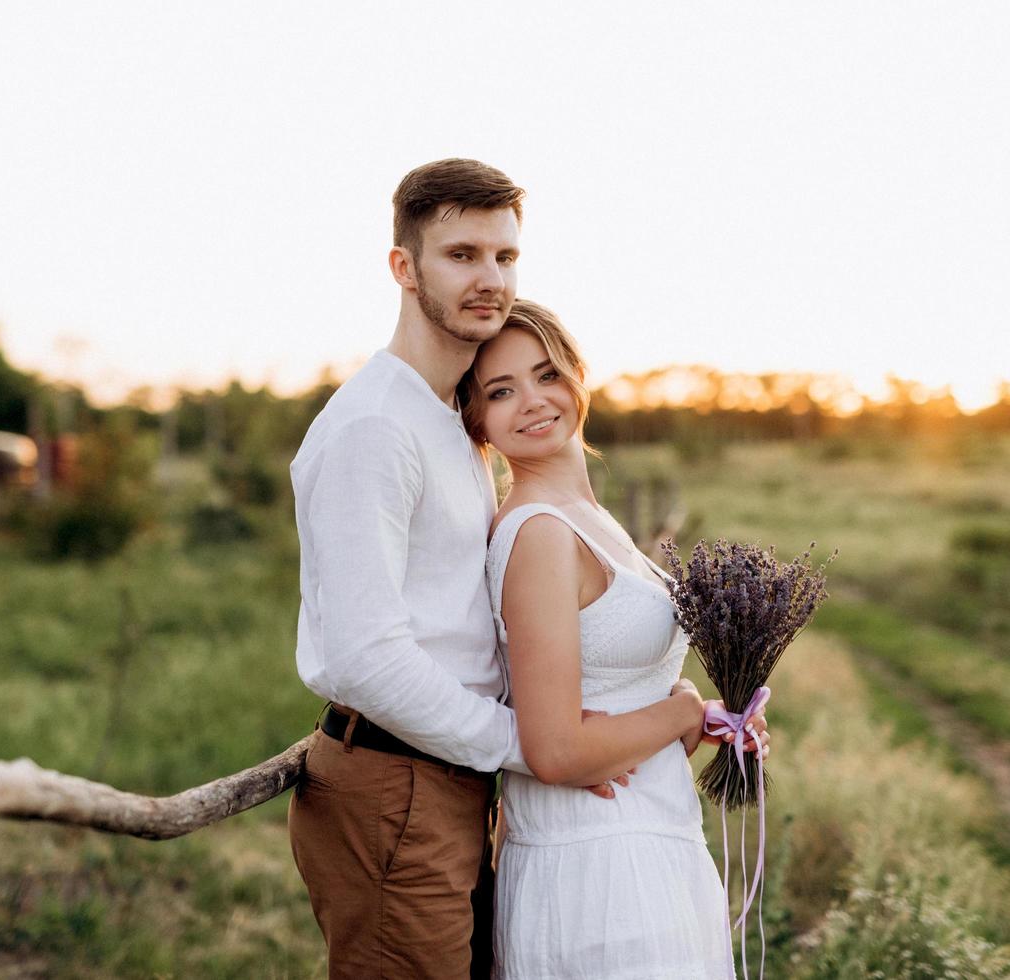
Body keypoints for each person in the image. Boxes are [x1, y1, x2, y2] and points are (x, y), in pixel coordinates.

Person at [287, 159, 704, 979]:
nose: (490, 279)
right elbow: (365, 656)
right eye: (462, 255)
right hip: (394, 781)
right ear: (404, 267)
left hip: (449, 781)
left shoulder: (449, 421)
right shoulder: (375, 427)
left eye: (505, 257)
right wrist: (536, 748)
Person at [457, 300, 769, 979]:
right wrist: (681, 709)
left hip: (652, 851)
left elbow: (616, 706)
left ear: (579, 375)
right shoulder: (540, 533)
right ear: (477, 419)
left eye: (546, 375)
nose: (533, 402)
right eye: (501, 391)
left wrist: (705, 721)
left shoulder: (591, 519)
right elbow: (557, 750)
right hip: (596, 878)